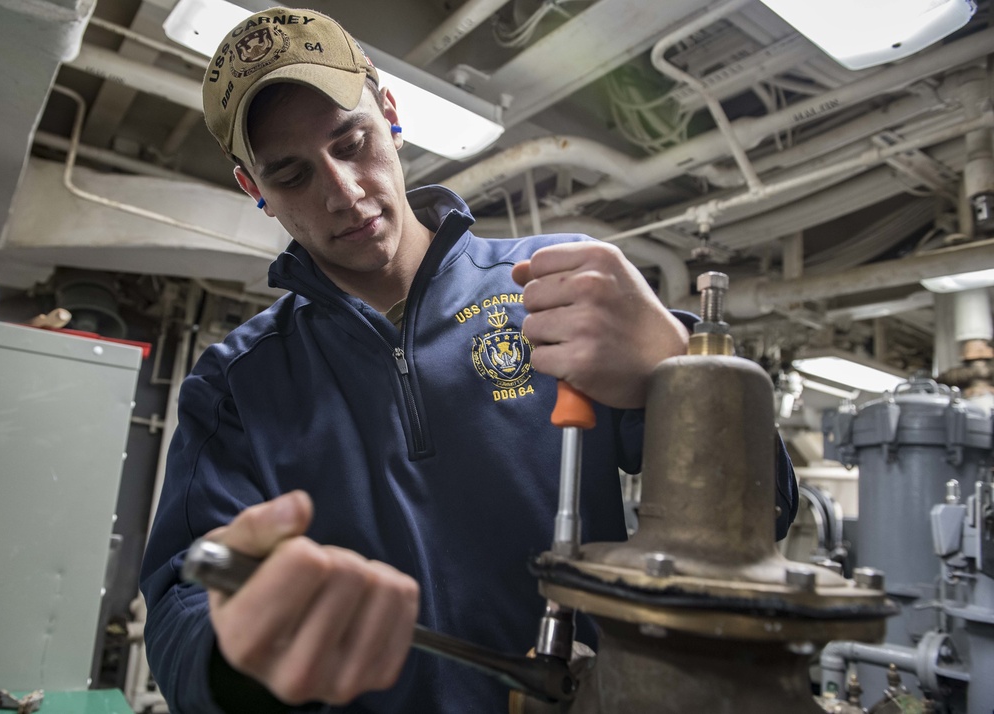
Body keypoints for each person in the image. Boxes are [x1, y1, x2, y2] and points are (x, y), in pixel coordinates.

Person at [139, 7, 797, 714]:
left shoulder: (559, 289)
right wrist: (235, 659)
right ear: (254, 189)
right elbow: (180, 608)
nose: (344, 192)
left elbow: (764, 514)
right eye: (292, 174)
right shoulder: (239, 383)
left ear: (390, 113)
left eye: (352, 141)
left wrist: (673, 368)